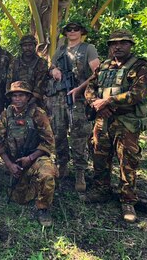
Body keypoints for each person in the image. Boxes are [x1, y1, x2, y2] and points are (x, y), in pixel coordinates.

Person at [84, 30, 147, 223]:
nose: (118, 46)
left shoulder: (140, 66)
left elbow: (138, 94)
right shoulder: (104, 66)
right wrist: (96, 102)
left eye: (123, 43)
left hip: (126, 121)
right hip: (103, 119)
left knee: (127, 160)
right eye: (114, 43)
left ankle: (127, 199)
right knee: (99, 154)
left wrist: (109, 102)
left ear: (130, 45)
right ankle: (101, 189)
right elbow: (90, 87)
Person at [0, 81, 57, 227]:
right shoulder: (6, 114)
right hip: (15, 161)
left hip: (36, 158)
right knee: (20, 198)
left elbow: (49, 142)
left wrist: (30, 158)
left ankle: (43, 208)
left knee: (47, 174)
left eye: (21, 95)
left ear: (28, 97)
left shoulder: (38, 114)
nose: (17, 99)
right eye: (14, 96)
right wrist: (9, 165)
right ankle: (34, 184)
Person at [48, 20, 100, 192]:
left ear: (81, 32)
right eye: (69, 29)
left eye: (75, 29)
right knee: (59, 132)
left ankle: (80, 172)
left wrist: (79, 89)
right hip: (59, 98)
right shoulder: (61, 49)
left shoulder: (88, 49)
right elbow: (52, 66)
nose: (72, 32)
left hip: (78, 98)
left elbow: (97, 73)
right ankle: (62, 164)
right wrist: (53, 70)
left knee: (79, 135)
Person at [6, 34, 48, 107]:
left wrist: (29, 101)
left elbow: (40, 84)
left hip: (34, 101)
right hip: (15, 99)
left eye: (30, 45)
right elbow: (9, 82)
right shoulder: (14, 63)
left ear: (35, 46)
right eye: (25, 46)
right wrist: (12, 100)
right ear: (21, 47)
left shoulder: (41, 63)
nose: (28, 48)